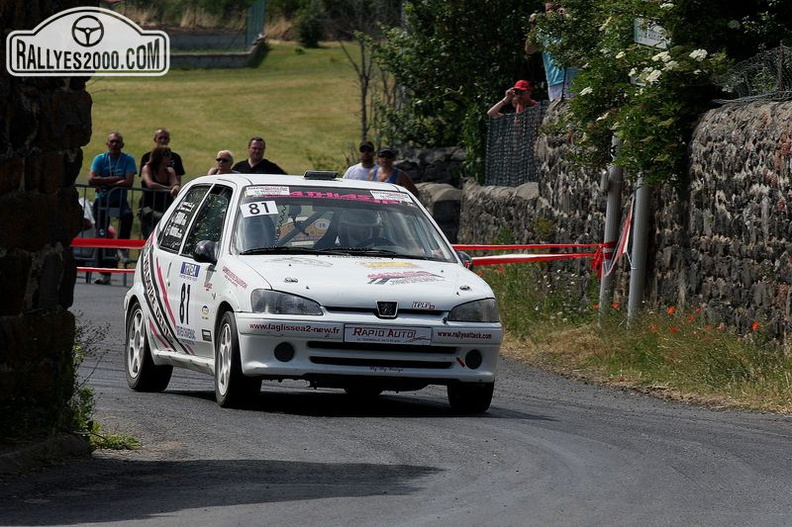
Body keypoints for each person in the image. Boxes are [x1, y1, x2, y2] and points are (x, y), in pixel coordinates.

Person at [88, 131, 136, 285]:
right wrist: (116, 179)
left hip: (119, 200)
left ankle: (122, 247)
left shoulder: (128, 159)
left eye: (117, 142)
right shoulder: (100, 159)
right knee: (102, 235)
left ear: (122, 145)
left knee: (128, 216)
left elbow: (129, 182)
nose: (114, 144)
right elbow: (91, 179)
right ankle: (104, 273)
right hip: (102, 200)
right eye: (112, 142)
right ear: (107, 144)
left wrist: (104, 183)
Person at [525, 2, 579, 102]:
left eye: (554, 10)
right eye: (548, 11)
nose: (551, 14)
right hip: (554, 81)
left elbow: (580, 33)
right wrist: (533, 26)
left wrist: (567, 16)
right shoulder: (543, 31)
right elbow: (529, 50)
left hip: (575, 78)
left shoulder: (570, 26)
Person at [139, 146, 180, 239]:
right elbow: (150, 184)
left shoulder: (170, 171)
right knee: (150, 235)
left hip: (165, 207)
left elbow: (175, 183)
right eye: (167, 155)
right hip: (148, 207)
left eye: (170, 155)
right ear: (158, 156)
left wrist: (176, 187)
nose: (170, 157)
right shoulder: (147, 168)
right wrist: (169, 188)